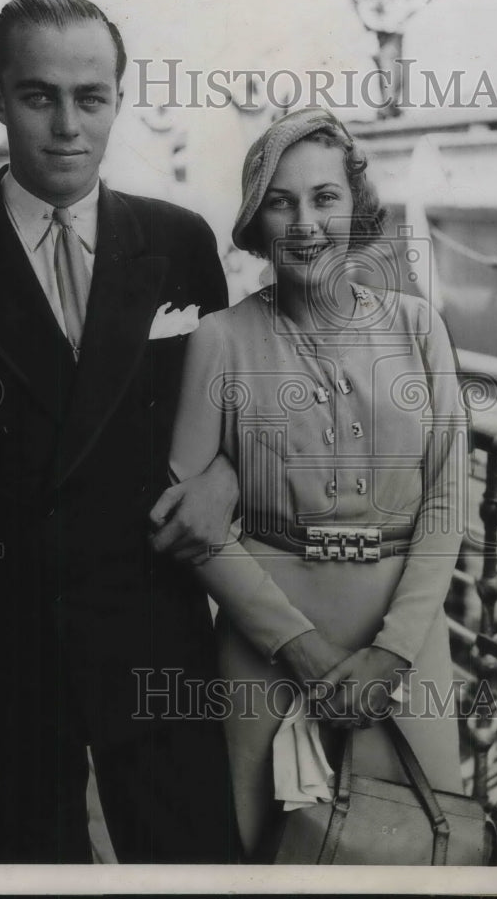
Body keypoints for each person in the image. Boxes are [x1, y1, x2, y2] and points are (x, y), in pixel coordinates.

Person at [0, 0, 241, 864]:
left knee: (194, 874)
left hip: (154, 639)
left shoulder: (180, 242)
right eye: (39, 96)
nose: (67, 127)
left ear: (119, 98)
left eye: (92, 98)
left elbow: (229, 417)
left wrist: (225, 479)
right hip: (2, 659)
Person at [166, 107, 467, 857]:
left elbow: (446, 499)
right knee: (263, 849)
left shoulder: (416, 326)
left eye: (324, 197)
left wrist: (393, 653)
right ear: (256, 219)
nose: (306, 223)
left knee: (413, 844)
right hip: (265, 647)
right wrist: (295, 647)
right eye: (281, 200)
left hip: (403, 636)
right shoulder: (219, 340)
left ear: (354, 207)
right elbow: (186, 521)